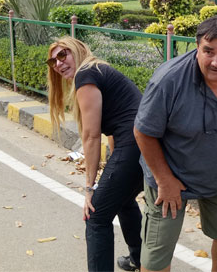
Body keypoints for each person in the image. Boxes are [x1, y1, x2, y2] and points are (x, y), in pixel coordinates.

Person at [134, 16, 217, 272]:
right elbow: (143, 132)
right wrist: (164, 180)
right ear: (197, 47)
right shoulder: (169, 81)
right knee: (157, 253)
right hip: (171, 173)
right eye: (208, 52)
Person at [47, 37, 144, 272]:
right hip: (145, 145)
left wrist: (90, 188)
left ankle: (137, 260)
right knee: (123, 200)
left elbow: (91, 137)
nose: (59, 64)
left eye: (63, 55)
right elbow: (114, 124)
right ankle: (138, 260)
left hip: (136, 145)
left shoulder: (86, 74)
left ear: (78, 50)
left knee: (96, 216)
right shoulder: (99, 69)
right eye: (53, 61)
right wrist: (113, 165)